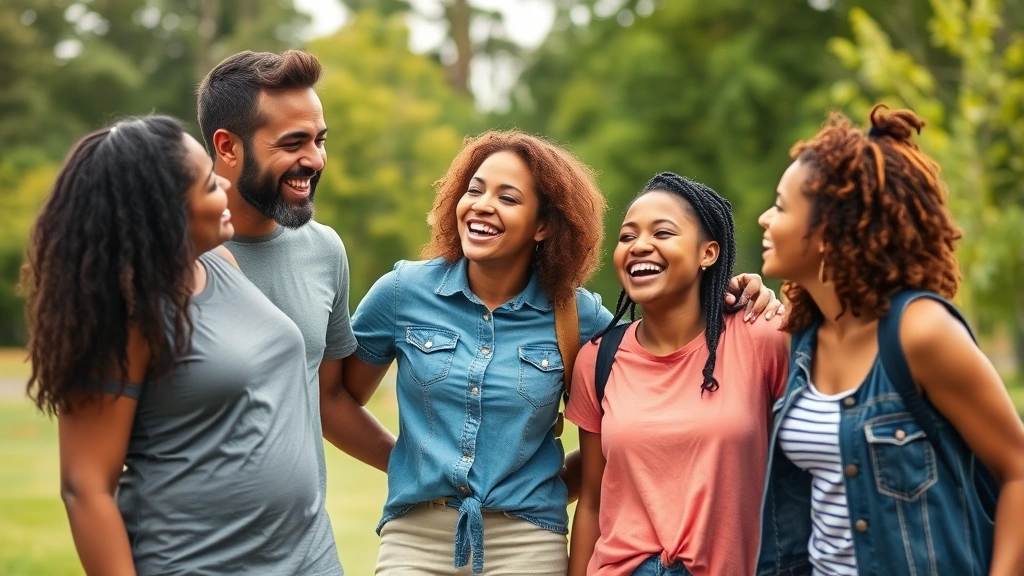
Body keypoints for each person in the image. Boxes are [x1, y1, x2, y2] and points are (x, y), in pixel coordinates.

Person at [342, 132, 782, 575]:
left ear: (543, 226)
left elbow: (652, 376)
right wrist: (407, 463)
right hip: (416, 538)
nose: (482, 204)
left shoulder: (580, 318)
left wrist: (729, 291)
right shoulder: (403, 293)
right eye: (474, 190)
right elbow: (335, 397)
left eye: (508, 197)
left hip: (526, 539)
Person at [22, 116, 337, 574]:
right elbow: (85, 488)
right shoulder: (125, 317)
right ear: (164, 210)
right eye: (209, 185)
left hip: (309, 558)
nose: (226, 191)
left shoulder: (223, 262)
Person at [756, 105, 1024, 575]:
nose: (763, 218)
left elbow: (1018, 471)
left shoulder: (919, 332)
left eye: (780, 206)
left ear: (827, 229)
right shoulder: (803, 336)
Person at [196, 50, 396, 571]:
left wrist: (416, 467)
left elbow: (325, 396)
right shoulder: (168, 252)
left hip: (309, 552)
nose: (314, 159)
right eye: (292, 143)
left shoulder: (323, 249)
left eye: (319, 140)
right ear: (227, 147)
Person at [565, 173, 789, 576]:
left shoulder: (763, 338)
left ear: (708, 253)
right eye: (627, 237)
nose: (640, 246)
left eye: (663, 232)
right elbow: (593, 503)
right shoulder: (598, 359)